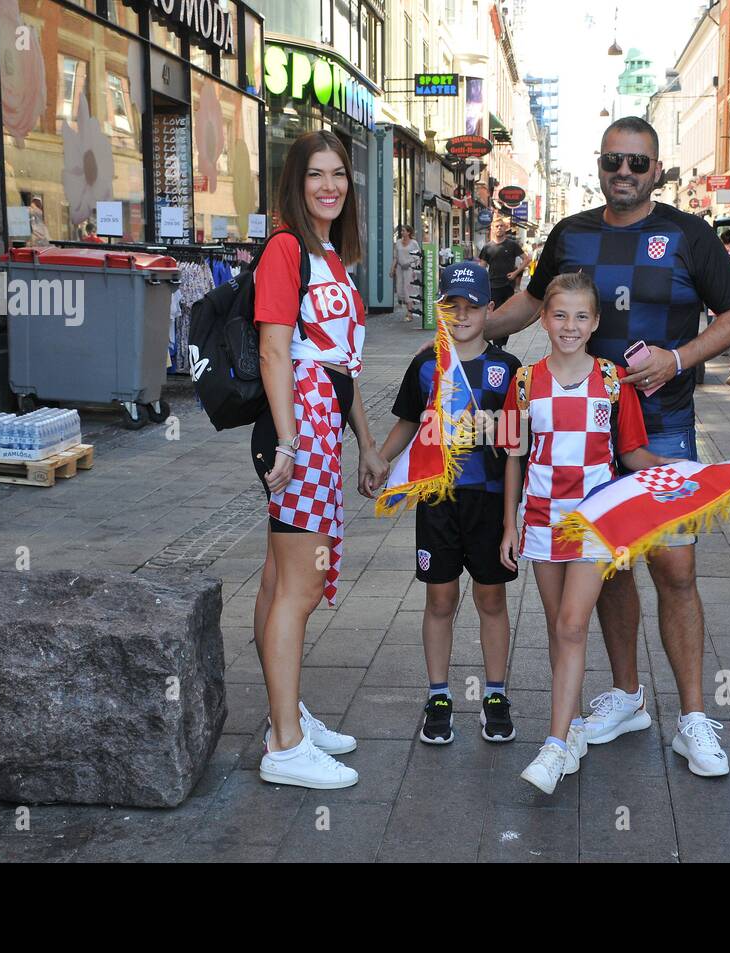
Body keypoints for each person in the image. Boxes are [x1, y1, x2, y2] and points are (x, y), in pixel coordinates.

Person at [484, 116, 730, 778]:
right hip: (587, 431)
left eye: (637, 162)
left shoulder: (691, 235)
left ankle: (692, 717)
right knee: (608, 569)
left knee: (676, 569)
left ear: (657, 169)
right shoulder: (572, 233)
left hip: (661, 427)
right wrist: (473, 328)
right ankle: (630, 696)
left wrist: (678, 357)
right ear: (600, 165)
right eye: (613, 162)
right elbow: (533, 302)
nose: (624, 172)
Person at [499, 271, 674, 794]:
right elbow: (513, 455)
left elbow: (633, 454)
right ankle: (571, 730)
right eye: (559, 315)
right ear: (543, 319)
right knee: (560, 629)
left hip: (595, 521)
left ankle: (553, 746)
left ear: (596, 321)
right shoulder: (524, 381)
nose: (569, 326)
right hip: (541, 518)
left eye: (580, 316)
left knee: (573, 625)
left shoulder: (614, 380)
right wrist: (509, 523)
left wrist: (681, 472)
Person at [251, 130, 390, 789]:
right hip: (297, 428)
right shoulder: (285, 249)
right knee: (300, 586)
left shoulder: (331, 255)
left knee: (279, 582)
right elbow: (275, 351)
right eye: (316, 174)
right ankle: (284, 742)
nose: (330, 185)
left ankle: (287, 715)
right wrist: (287, 441)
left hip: (319, 422)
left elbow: (344, 366)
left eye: (339, 174)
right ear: (295, 182)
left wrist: (365, 439)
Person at [376, 263, 521, 746]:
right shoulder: (424, 365)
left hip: (490, 501)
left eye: (472, 307)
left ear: (490, 310)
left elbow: (518, 441)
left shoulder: (508, 369)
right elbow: (407, 422)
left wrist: (512, 519)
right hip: (437, 502)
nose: (461, 316)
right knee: (440, 599)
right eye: (451, 307)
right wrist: (378, 457)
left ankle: (495, 694)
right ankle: (438, 695)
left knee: (490, 598)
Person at [478, 216, 526, 348]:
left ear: (505, 228)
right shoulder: (487, 247)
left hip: (508, 285)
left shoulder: (512, 245)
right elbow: (482, 266)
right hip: (492, 285)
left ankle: (502, 343)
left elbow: (527, 259)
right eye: (496, 226)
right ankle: (497, 343)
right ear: (492, 229)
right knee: (494, 315)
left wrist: (516, 273)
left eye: (501, 226)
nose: (499, 228)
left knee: (507, 316)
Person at [392, 225, 421, 321]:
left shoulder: (414, 243)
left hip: (409, 268)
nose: (402, 232)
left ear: (408, 232)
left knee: (408, 289)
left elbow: (417, 257)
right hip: (400, 268)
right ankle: (410, 309)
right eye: (402, 231)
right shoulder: (398, 243)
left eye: (404, 231)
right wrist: (392, 269)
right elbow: (396, 257)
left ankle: (409, 313)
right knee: (400, 290)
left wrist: (414, 269)